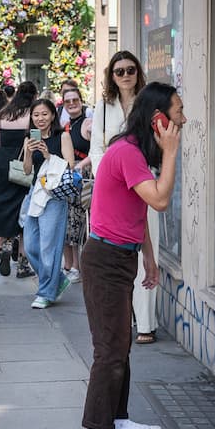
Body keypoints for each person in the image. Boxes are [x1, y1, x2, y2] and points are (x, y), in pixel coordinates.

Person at [81, 82, 182, 429]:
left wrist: (149, 258)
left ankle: (117, 419)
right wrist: (170, 153)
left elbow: (135, 212)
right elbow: (158, 200)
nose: (182, 120)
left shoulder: (134, 151)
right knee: (109, 348)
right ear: (159, 120)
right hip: (105, 259)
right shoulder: (126, 152)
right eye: (178, 112)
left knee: (121, 343)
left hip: (121, 257)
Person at [89, 51, 158, 345]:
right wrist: (108, 174)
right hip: (114, 189)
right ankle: (124, 315)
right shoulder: (103, 107)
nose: (126, 75)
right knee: (118, 251)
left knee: (146, 250)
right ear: (111, 77)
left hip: (144, 183)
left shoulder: (148, 104)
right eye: (119, 71)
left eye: (131, 70)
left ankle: (145, 323)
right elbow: (96, 149)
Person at [21, 99, 76, 309]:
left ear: (53, 115)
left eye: (44, 114)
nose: (40, 119)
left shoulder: (62, 136)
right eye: (36, 115)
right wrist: (28, 152)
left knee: (48, 247)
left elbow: (70, 166)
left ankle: (46, 292)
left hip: (54, 196)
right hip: (34, 194)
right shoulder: (29, 138)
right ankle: (58, 280)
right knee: (31, 245)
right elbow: (27, 172)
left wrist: (47, 155)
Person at [0, 80, 38, 278]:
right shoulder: (32, 115)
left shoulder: (3, 114)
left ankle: (6, 245)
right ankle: (23, 263)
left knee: (6, 208)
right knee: (23, 212)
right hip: (22, 165)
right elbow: (35, 142)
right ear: (33, 96)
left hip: (0, 164)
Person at [61, 86, 93, 282]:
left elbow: (98, 150)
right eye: (67, 101)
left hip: (84, 178)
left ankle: (78, 267)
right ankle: (69, 265)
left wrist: (80, 165)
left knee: (81, 224)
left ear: (81, 101)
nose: (72, 104)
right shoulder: (65, 125)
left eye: (75, 100)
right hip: (67, 178)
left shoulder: (89, 124)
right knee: (67, 224)